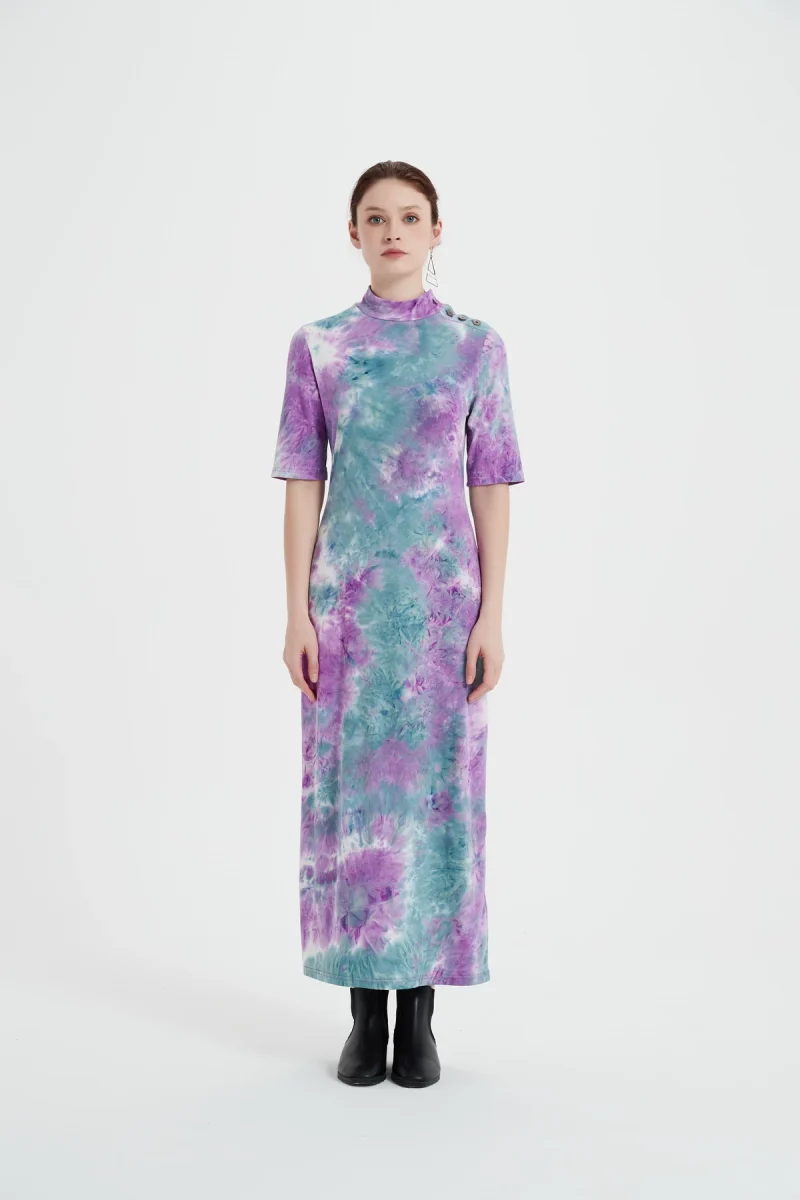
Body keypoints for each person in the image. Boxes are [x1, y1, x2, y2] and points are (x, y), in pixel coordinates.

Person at [271, 160, 525, 1088]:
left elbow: (490, 483)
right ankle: (362, 1014)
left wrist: (493, 613)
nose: (392, 233)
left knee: (436, 806)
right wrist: (296, 611)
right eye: (375, 218)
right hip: (347, 611)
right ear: (353, 234)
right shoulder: (320, 347)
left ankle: (419, 1016)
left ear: (436, 230)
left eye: (409, 217)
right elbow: (304, 481)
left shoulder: (475, 347)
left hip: (443, 614)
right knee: (355, 808)